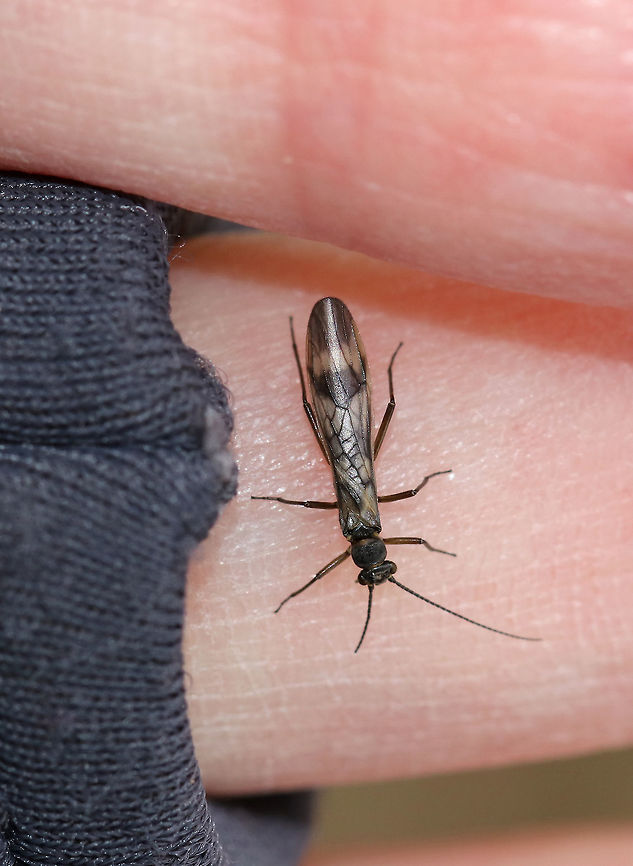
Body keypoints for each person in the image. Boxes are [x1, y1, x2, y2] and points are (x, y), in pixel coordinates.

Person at [1, 4, 631, 864]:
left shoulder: (370, 521)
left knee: (342, 417)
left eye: (375, 569)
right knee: (342, 419)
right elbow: (336, 502)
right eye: (380, 566)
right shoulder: (350, 528)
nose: (376, 564)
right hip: (348, 401)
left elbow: (356, 502)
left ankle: (355, 363)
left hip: (346, 401)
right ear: (372, 548)